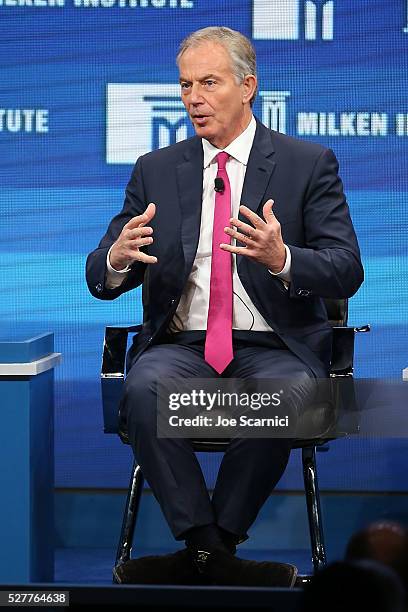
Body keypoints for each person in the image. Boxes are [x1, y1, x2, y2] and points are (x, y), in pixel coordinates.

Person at [86, 26, 363, 587]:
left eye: (209, 82)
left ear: (248, 86)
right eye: (186, 84)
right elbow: (101, 276)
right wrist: (115, 257)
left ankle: (209, 550)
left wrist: (283, 257)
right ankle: (213, 551)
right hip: (181, 346)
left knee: (287, 393)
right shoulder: (156, 169)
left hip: (275, 346)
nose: (193, 97)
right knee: (142, 387)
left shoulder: (306, 164)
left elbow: (346, 270)